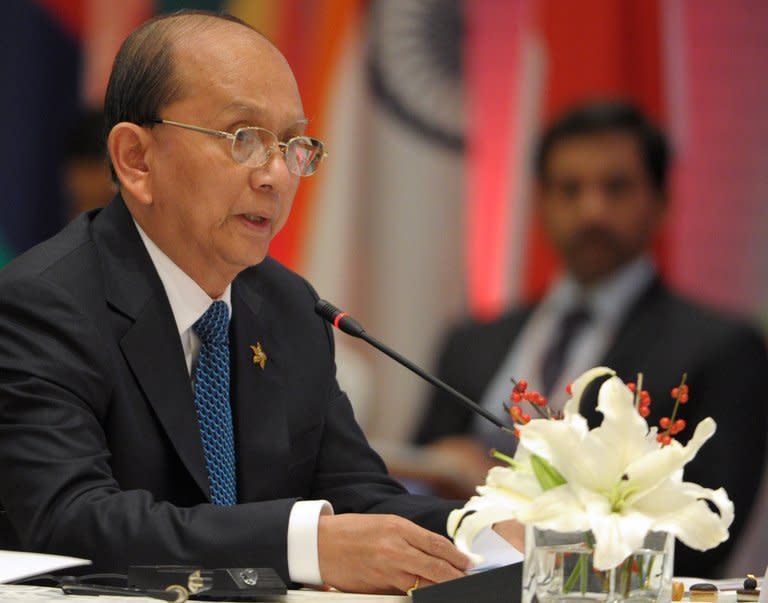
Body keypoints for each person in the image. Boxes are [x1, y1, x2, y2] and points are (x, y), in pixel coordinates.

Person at [0, 11, 484, 595]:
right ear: (136, 159)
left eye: (293, 145)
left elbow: (361, 498)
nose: (277, 176)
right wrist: (304, 544)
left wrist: (490, 526)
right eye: (245, 139)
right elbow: (71, 520)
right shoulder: (43, 305)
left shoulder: (287, 306)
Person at [415, 101, 768, 578]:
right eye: (570, 188)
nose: (592, 209)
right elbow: (410, 484)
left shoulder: (721, 349)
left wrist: (531, 506)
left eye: (616, 187)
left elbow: (703, 539)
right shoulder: (473, 339)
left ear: (661, 201)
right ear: (541, 203)